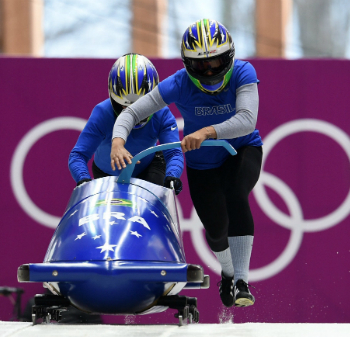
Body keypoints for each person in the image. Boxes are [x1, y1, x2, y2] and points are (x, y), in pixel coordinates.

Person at [111, 19, 262, 308]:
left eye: (217, 63)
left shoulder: (244, 72)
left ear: (229, 57)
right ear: (187, 65)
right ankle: (228, 273)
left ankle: (242, 281)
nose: (210, 71)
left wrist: (206, 132)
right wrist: (118, 140)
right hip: (202, 164)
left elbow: (247, 120)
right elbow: (131, 112)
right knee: (216, 231)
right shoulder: (178, 83)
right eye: (201, 66)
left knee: (235, 192)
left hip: (240, 150)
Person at [69, 53, 184, 194]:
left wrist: (172, 175)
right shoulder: (102, 113)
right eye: (125, 107)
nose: (134, 116)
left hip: (149, 168)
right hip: (107, 174)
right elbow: (78, 155)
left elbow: (173, 153)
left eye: (142, 108)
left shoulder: (162, 114)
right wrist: (84, 180)